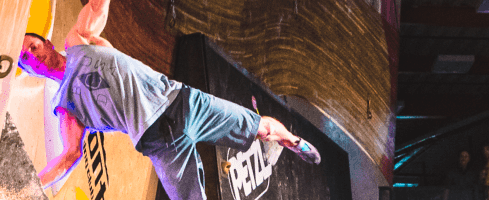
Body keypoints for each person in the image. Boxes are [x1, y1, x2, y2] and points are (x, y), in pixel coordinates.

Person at [21, 0, 310, 198]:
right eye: (25, 58)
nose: (33, 55)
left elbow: (98, 5)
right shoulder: (65, 106)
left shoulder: (79, 41)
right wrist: (28, 189)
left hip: (184, 102)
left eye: (33, 46)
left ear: (46, 41)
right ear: (28, 70)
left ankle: (295, 142)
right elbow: (69, 156)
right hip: (160, 141)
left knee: (263, 129)